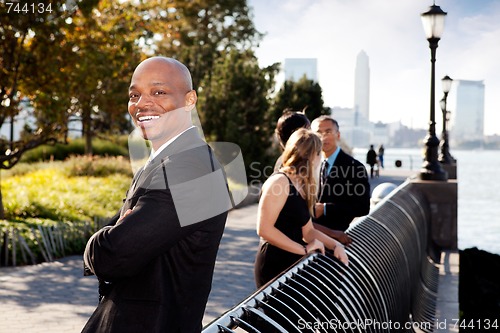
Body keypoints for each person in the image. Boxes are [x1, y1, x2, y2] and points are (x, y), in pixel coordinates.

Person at [82, 57, 229, 333]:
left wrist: (94, 243)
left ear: (190, 100)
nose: (141, 104)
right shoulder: (165, 162)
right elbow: (116, 238)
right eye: (134, 94)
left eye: (158, 92)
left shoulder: (192, 169)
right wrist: (113, 234)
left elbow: (115, 254)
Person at [254, 128, 349, 288]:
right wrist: (303, 249)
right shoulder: (280, 182)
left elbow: (308, 231)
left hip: (293, 261)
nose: (321, 158)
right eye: (319, 153)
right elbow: (264, 229)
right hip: (274, 265)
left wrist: (335, 245)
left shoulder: (302, 185)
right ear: (311, 156)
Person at [312, 116, 370, 235]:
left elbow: (363, 207)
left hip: (337, 238)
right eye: (318, 132)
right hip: (309, 237)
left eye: (328, 132)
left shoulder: (355, 167)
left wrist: (325, 208)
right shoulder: (309, 165)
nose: (323, 137)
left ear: (338, 135)